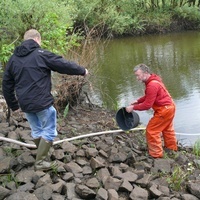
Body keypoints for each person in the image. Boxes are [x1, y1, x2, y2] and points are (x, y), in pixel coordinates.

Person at [2, 29, 88, 171]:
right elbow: (63, 65)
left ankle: (42, 154)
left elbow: (6, 84)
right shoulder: (41, 55)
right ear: (37, 39)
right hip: (42, 102)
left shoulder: (13, 59)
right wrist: (82, 70)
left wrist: (13, 104)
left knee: (36, 130)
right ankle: (41, 162)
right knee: (49, 131)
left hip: (25, 103)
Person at [126, 63, 177, 158]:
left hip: (164, 110)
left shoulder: (152, 85)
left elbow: (147, 105)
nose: (137, 78)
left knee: (152, 130)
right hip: (170, 107)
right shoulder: (154, 80)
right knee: (167, 129)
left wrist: (133, 107)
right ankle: (171, 149)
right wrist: (137, 101)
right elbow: (149, 96)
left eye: (138, 75)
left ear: (145, 73)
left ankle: (156, 155)